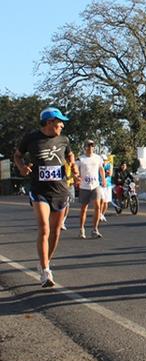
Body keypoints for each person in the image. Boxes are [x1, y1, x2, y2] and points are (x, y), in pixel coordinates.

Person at [13, 107, 79, 287]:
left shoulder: (64, 139)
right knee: (44, 228)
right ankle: (46, 272)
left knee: (56, 231)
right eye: (59, 122)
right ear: (50, 122)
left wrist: (73, 166)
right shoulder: (31, 138)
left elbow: (70, 154)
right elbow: (18, 156)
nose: (62, 125)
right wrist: (22, 167)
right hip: (39, 190)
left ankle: (44, 263)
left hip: (60, 190)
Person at [77, 140, 106, 239]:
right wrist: (76, 177)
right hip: (84, 186)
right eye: (88, 146)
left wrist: (103, 179)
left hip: (95, 185)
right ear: (85, 147)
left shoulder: (98, 158)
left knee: (97, 206)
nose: (90, 148)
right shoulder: (81, 159)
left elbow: (101, 168)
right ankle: (81, 229)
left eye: (92, 146)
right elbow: (75, 170)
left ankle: (95, 229)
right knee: (84, 208)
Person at [61, 157, 77, 230]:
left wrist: (76, 178)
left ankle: (63, 221)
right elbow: (66, 177)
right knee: (63, 205)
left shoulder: (73, 165)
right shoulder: (62, 164)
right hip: (63, 186)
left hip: (70, 186)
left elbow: (76, 174)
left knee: (68, 205)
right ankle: (60, 221)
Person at [99, 154, 112, 221]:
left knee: (106, 202)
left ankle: (102, 214)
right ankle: (99, 214)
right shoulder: (98, 166)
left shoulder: (109, 165)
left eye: (105, 160)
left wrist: (106, 172)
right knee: (102, 200)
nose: (104, 161)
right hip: (100, 185)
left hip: (108, 185)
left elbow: (110, 174)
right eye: (102, 160)